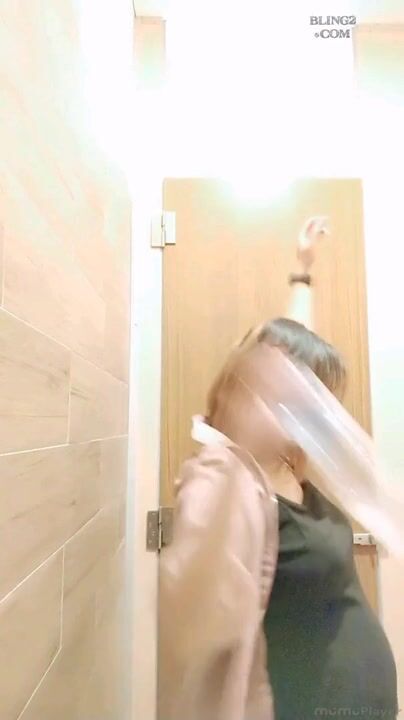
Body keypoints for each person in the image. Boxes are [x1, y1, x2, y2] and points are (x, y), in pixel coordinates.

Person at [159, 218, 398, 720]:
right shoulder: (221, 478)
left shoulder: (286, 458)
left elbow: (291, 353)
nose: (315, 407)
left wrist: (302, 273)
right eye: (303, 393)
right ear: (252, 389)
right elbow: (196, 615)